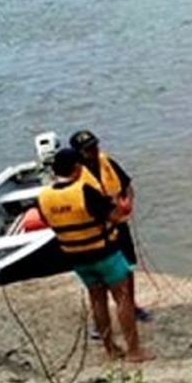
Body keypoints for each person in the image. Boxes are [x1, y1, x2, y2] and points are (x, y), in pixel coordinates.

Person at [37, 148, 151, 363]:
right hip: (104, 253)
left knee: (97, 299)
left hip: (76, 257)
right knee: (123, 298)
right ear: (78, 168)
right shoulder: (84, 191)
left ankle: (110, 349)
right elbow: (116, 216)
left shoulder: (44, 197)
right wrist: (117, 206)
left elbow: (46, 221)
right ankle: (134, 350)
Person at [69, 130, 151, 324]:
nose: (94, 151)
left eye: (95, 146)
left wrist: (127, 202)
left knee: (127, 268)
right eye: (88, 149)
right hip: (96, 232)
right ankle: (102, 321)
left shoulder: (107, 163)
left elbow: (127, 186)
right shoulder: (75, 174)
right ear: (79, 153)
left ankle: (132, 306)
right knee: (101, 281)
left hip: (119, 226)